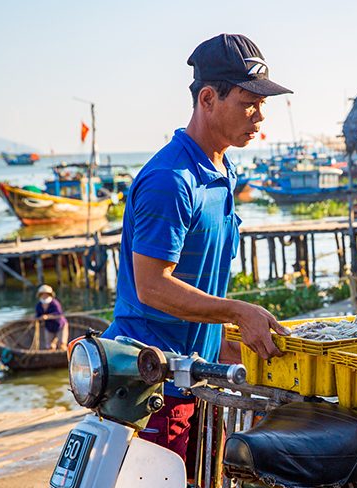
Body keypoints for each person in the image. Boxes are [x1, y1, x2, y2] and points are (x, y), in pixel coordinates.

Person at [102, 34, 292, 462]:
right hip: (148, 384)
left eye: (263, 104)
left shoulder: (223, 172)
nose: (260, 116)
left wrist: (225, 344)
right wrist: (238, 312)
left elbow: (197, 278)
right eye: (248, 103)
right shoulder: (171, 180)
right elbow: (152, 288)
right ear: (208, 98)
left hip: (198, 377)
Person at [35, 284, 68, 350]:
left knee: (61, 344)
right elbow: (38, 316)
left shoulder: (55, 303)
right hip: (49, 327)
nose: (44, 295)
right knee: (49, 346)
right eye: (42, 294)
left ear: (50, 294)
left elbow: (58, 314)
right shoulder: (39, 305)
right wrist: (38, 318)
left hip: (60, 326)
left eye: (46, 294)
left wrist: (48, 316)